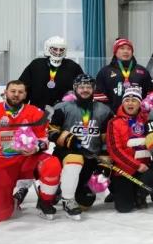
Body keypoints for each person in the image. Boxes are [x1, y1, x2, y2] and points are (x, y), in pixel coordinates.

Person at [0, 80, 61, 221]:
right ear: (5, 92)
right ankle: (16, 197)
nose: (16, 94)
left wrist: (35, 147)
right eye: (13, 91)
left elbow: (44, 140)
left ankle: (45, 202)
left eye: (20, 92)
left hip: (26, 161)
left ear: (25, 95)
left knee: (52, 164)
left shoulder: (35, 113)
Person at [47, 74, 113, 220]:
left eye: (88, 87)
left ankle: (69, 189)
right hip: (66, 155)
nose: (85, 90)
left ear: (93, 89)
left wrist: (104, 163)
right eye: (81, 87)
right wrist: (68, 140)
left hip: (90, 157)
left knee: (85, 203)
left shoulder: (104, 110)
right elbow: (51, 132)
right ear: (75, 89)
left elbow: (106, 139)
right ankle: (60, 190)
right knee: (72, 162)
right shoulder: (63, 107)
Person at [105, 85, 153, 213]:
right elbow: (115, 150)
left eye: (134, 100)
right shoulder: (114, 122)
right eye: (127, 100)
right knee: (124, 208)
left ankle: (140, 195)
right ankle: (117, 190)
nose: (130, 103)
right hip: (124, 170)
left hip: (144, 168)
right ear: (123, 103)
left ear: (140, 104)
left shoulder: (146, 119)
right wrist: (136, 165)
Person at [19, 36, 84, 110]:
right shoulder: (36, 64)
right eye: (55, 49)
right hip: (37, 111)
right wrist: (21, 109)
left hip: (64, 111)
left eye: (61, 49)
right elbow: (23, 87)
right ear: (48, 48)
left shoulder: (73, 66)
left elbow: (82, 88)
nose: (58, 52)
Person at [95, 38, 153, 111]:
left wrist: (144, 109)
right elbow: (99, 99)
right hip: (114, 116)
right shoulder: (105, 72)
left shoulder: (143, 71)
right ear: (115, 52)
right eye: (122, 48)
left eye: (129, 49)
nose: (126, 51)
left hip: (139, 116)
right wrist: (110, 113)